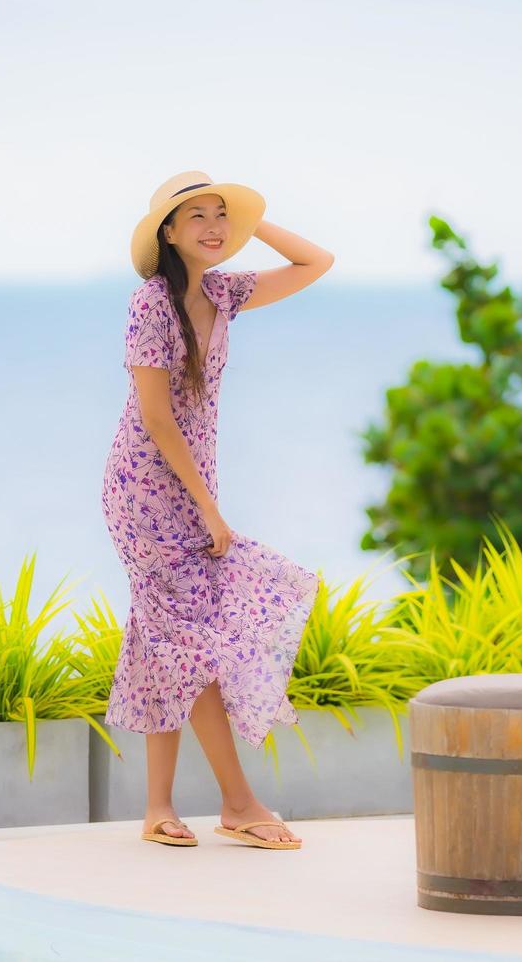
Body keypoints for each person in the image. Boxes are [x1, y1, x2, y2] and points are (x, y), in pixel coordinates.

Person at [101, 171, 334, 851]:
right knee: (193, 646)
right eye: (195, 217)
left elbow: (315, 263)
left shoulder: (223, 293)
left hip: (191, 488)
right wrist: (209, 507)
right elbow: (155, 417)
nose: (210, 227)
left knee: (165, 640)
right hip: (146, 492)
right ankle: (238, 802)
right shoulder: (151, 304)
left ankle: (157, 809)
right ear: (167, 233)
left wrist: (248, 221)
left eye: (219, 216)